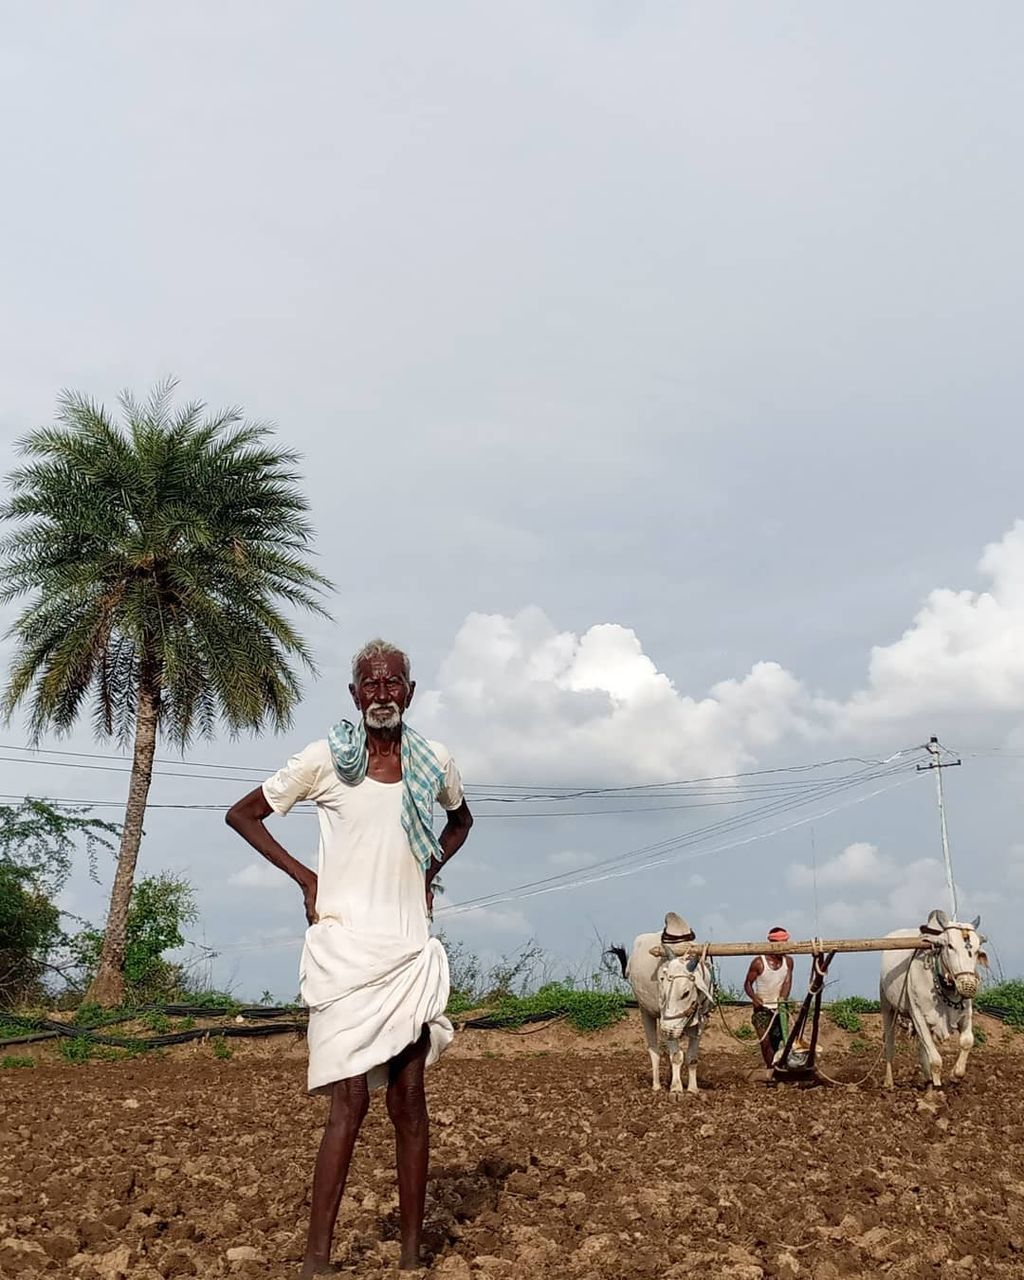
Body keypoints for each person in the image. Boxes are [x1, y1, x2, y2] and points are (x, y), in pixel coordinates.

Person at [226, 638, 473, 1276]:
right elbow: (244, 814)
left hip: (408, 948)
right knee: (349, 1103)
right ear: (355, 695)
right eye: (370, 684)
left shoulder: (432, 760)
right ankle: (316, 1261)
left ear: (410, 694)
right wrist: (307, 880)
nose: (382, 694)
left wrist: (429, 865)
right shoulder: (325, 761)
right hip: (345, 952)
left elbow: (460, 821)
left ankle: (413, 1256)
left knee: (409, 1098)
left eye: (393, 683)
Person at [743, 927, 794, 1070]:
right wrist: (754, 997)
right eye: (781, 944)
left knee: (778, 1040)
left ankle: (779, 1067)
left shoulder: (788, 962)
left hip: (780, 1009)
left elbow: (787, 982)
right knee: (764, 1041)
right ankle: (772, 1069)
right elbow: (748, 983)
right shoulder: (759, 963)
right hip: (762, 1010)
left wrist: (782, 999)